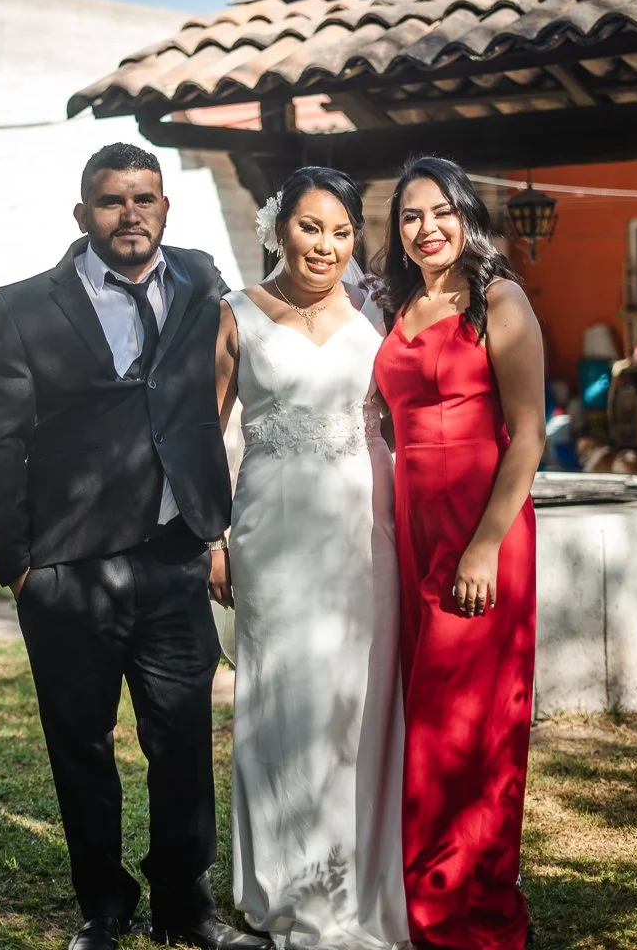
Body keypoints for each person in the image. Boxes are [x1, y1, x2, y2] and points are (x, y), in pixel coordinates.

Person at [0, 142, 271, 950]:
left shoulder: (202, 278)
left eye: (145, 198)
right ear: (84, 215)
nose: (130, 213)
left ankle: (186, 906)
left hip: (175, 554)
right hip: (68, 569)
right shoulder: (20, 308)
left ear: (166, 209)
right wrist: (19, 565)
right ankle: (103, 906)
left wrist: (215, 528)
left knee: (181, 739)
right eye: (112, 201)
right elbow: (2, 442)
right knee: (82, 744)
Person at [213, 167, 409, 949]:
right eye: (309, 227)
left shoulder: (379, 312)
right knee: (284, 708)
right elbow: (200, 434)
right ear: (278, 227)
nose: (324, 246)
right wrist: (209, 539)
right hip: (272, 536)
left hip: (368, 538)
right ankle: (285, 892)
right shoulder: (233, 315)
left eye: (340, 231)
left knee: (359, 706)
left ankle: (363, 881)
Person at [372, 155, 544, 950]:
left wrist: (482, 548)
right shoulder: (397, 303)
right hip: (413, 525)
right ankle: (422, 894)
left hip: (483, 528)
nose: (426, 227)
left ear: (466, 213)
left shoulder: (498, 299)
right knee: (428, 710)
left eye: (439, 210)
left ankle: (456, 908)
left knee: (463, 722)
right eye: (410, 216)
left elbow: (530, 433)